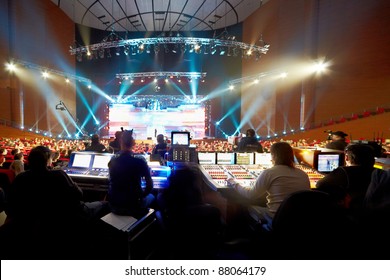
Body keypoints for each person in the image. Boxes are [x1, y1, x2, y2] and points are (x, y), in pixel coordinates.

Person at [3, 146, 108, 259]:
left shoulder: (21, 178)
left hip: (32, 225)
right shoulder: (58, 175)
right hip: (64, 217)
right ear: (48, 160)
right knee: (104, 204)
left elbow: (10, 206)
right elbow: (78, 195)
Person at [227, 141, 311, 226]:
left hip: (276, 219)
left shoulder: (269, 173)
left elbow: (250, 194)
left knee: (245, 207)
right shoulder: (303, 174)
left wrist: (234, 183)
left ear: (274, 156)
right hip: (299, 220)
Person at [107, 129, 155, 217]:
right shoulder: (140, 160)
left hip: (115, 205)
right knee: (153, 196)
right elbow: (149, 186)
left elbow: (110, 182)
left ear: (120, 142)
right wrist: (140, 196)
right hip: (134, 205)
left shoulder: (113, 160)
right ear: (133, 143)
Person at [316, 143, 376, 210]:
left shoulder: (344, 171)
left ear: (346, 158)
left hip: (352, 212)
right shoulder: (380, 173)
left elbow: (320, 184)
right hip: (376, 213)